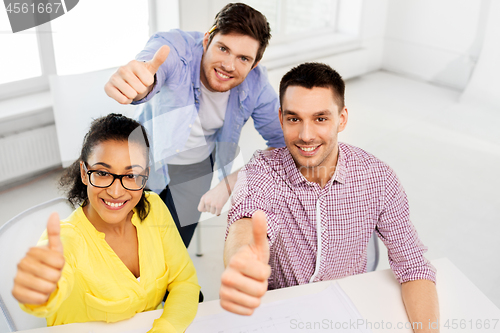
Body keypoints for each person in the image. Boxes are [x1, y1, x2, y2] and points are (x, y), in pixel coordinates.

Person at [220, 63, 439, 332]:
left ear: (342, 119)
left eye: (320, 118)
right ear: (280, 118)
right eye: (294, 118)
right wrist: (243, 257)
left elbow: (413, 267)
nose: (306, 135)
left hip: (348, 309)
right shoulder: (263, 170)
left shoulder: (378, 178)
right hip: (279, 314)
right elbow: (245, 219)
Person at [104, 3, 285, 248]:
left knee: (172, 250)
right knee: (127, 244)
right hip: (146, 157)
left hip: (196, 166)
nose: (229, 65)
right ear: (207, 40)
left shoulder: (257, 85)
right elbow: (152, 68)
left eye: (243, 58)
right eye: (223, 48)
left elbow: (285, 144)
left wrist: (232, 181)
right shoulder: (176, 49)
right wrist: (139, 83)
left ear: (255, 63)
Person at [12, 114, 200, 333]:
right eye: (102, 173)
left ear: (145, 177)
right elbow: (45, 294)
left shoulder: (154, 208)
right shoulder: (69, 239)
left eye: (131, 175)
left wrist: (166, 329)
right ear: (84, 173)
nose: (116, 191)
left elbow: (185, 282)